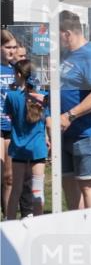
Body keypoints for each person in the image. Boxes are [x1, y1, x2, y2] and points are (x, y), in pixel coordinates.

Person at [59, 11, 91, 209]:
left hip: (88, 132)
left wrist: (69, 115)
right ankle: (76, 222)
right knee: (68, 181)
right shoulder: (67, 55)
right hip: (67, 131)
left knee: (87, 184)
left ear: (67, 33)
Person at [3, 60, 50, 218]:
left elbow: (10, 117)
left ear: (18, 74)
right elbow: (47, 122)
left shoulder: (11, 96)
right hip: (38, 148)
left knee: (16, 190)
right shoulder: (43, 97)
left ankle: (9, 223)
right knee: (37, 190)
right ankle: (39, 223)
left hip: (18, 148)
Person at [1, 29, 18, 215]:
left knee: (9, 176)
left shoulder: (17, 69)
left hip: (13, 127)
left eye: (14, 47)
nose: (12, 51)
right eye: (7, 47)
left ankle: (8, 218)